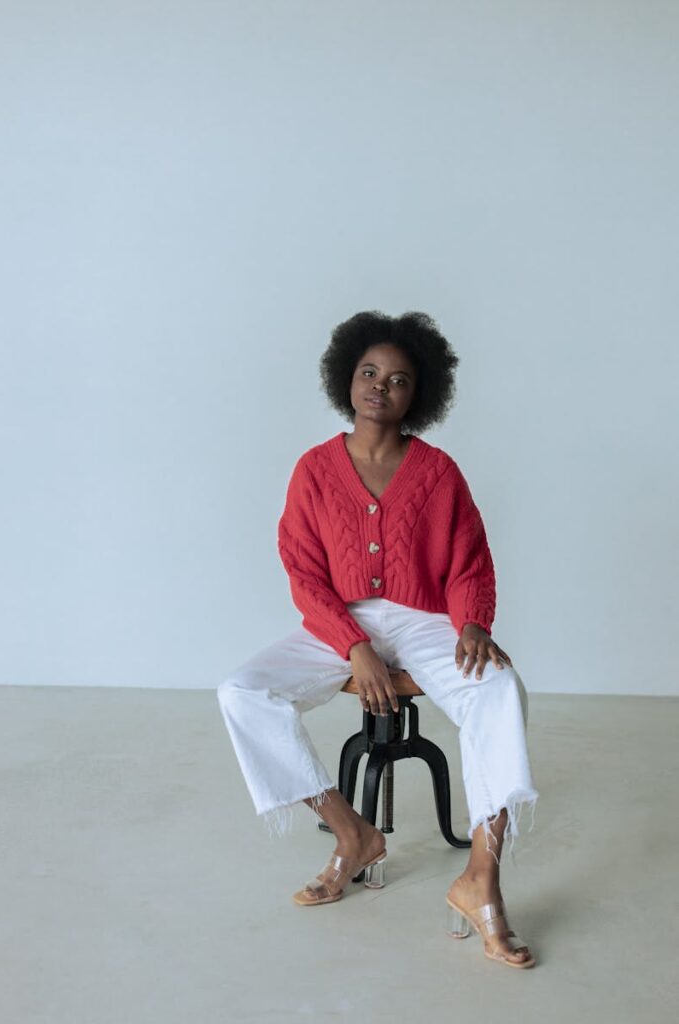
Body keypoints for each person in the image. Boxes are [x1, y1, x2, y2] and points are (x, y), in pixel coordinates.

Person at [217, 310, 539, 969]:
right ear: (346, 379)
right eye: (368, 373)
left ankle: (481, 877)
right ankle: (352, 834)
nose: (379, 387)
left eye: (397, 379)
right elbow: (303, 570)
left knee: (500, 689)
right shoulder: (313, 470)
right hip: (338, 622)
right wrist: (353, 645)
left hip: (424, 620)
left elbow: (469, 560)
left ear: (417, 394)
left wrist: (473, 621)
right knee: (243, 692)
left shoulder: (438, 472)